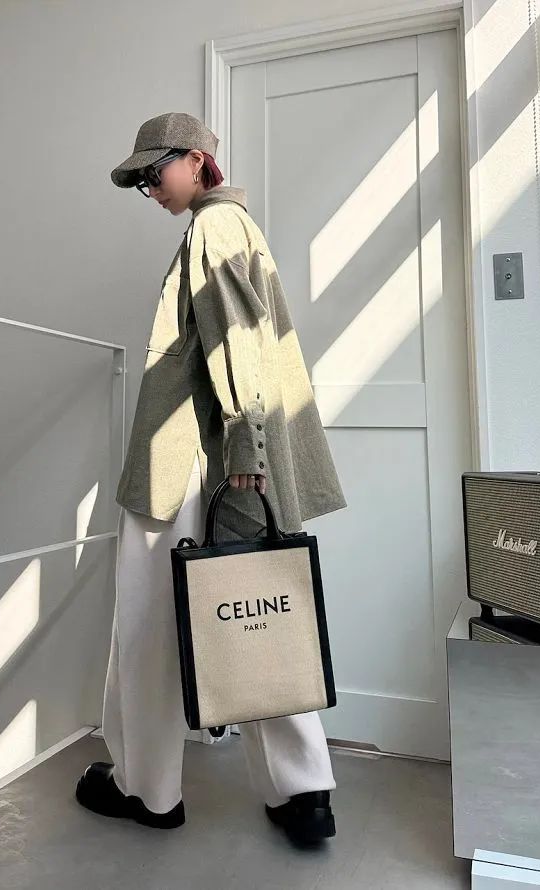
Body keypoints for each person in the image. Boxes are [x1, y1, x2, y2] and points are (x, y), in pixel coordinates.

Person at [75, 112, 347, 848]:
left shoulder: (213, 228)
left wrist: (246, 452)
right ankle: (303, 794)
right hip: (219, 455)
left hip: (189, 460)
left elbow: (237, 343)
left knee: (149, 625)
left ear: (196, 160)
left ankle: (146, 788)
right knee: (259, 612)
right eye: (140, 180)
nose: (149, 188)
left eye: (154, 171)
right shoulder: (235, 226)